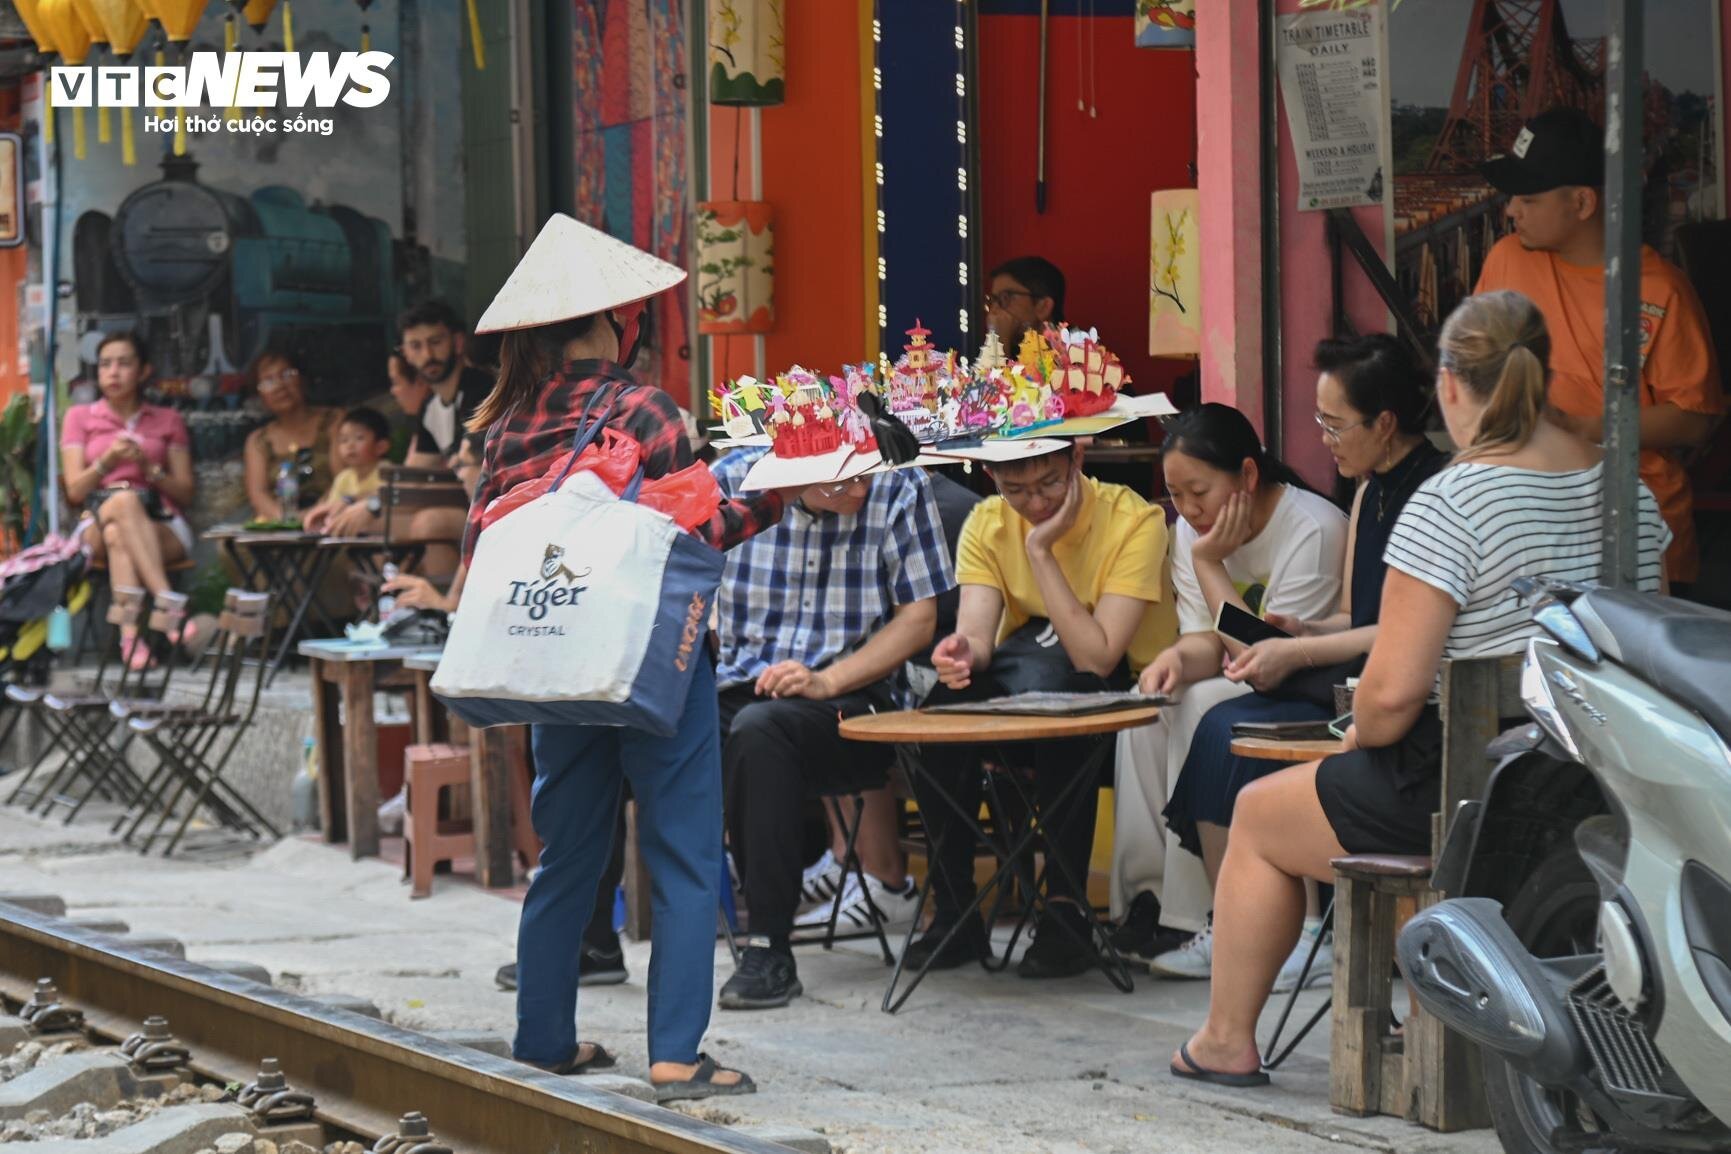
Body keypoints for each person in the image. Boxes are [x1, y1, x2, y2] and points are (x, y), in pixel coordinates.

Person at [1170, 290, 1670, 1088]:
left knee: (1259, 815)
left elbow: (1391, 697)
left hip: (1470, 788)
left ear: (1446, 387)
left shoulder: (1450, 502)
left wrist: (1354, 729)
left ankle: (1226, 1042)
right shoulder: (1629, 496)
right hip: (1599, 781)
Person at [460, 214, 790, 1102]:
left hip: (554, 663)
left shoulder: (506, 421)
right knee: (683, 855)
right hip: (653, 665)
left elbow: (483, 552)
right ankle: (678, 1057)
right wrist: (776, 492)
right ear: (614, 319)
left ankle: (543, 1040)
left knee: (566, 854)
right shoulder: (643, 408)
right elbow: (701, 530)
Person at [1159, 336, 1450, 992]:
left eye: (1333, 424)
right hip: (1350, 672)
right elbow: (1356, 617)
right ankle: (1232, 923)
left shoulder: (1428, 494)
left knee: (1222, 724)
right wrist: (1305, 629)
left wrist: (1297, 647)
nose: (1321, 439)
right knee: (1219, 722)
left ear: (1383, 423)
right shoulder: (1367, 492)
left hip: (1394, 687)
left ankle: (1298, 931)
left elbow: (1400, 632)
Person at [907, 442, 1177, 978]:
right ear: (991, 478)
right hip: (1026, 677)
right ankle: (955, 909)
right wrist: (962, 653)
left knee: (1068, 704)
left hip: (1124, 699)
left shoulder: (1133, 520)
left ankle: (1065, 910)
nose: (1034, 503)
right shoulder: (987, 521)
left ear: (1077, 461)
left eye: (1050, 483)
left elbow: (1098, 658)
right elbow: (980, 637)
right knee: (939, 714)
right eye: (1015, 490)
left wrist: (1041, 553)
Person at [386, 431, 633, 994]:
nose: (471, 471)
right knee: (573, 801)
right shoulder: (510, 507)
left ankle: (585, 946)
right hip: (565, 663)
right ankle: (585, 941)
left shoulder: (554, 500)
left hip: (597, 659)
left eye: (474, 461)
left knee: (581, 802)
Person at [1110, 404, 1347, 978]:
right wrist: (1172, 660)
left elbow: (1263, 658)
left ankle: (1228, 916)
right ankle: (1156, 908)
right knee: (1148, 712)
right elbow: (1203, 645)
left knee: (1205, 704)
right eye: (1176, 495)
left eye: (1199, 491)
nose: (1189, 511)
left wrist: (1210, 563)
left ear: (1246, 475)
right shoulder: (1192, 532)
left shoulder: (1310, 529)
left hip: (1303, 687)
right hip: (1244, 673)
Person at [710, 454, 955, 1010]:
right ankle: (593, 937)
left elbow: (919, 619)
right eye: (842, 481)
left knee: (760, 732)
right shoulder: (732, 482)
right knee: (637, 722)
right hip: (740, 680)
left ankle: (769, 946)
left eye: (863, 472)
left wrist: (826, 681)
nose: (860, 489)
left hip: (852, 694)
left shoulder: (898, 486)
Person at [1476, 106, 1723, 588]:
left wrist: (1581, 427)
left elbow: (1695, 420)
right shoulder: (1505, 260)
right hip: (1526, 526)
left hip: (1636, 535)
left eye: (1527, 198)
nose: (1510, 211)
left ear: (1583, 203)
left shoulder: (1658, 290)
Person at [60, 331, 198, 669]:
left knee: (120, 535)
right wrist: (106, 462)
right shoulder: (79, 417)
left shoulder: (169, 420)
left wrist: (148, 468)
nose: (113, 372)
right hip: (94, 522)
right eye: (105, 364)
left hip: (161, 522)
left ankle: (130, 637)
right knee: (122, 503)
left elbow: (185, 492)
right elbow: (75, 491)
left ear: (144, 370)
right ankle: (167, 602)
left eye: (124, 363)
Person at [243, 345, 342, 522]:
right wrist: (288, 521)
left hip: (332, 519)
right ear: (259, 396)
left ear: (302, 379)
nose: (280, 386)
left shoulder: (334, 422)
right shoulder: (258, 441)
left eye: (287, 374)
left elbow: (343, 479)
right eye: (268, 381)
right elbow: (258, 494)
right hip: (281, 527)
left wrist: (316, 514)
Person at [400, 300, 495, 469]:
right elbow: (417, 470)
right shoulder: (429, 407)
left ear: (458, 342)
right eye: (415, 346)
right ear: (406, 353)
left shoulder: (483, 389)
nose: (427, 354)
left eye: (435, 342)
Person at [302, 407, 393, 537]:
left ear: (381, 446)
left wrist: (350, 502)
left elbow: (385, 497)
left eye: (359, 438)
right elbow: (333, 506)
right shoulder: (343, 478)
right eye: (344, 440)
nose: (350, 445)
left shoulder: (387, 471)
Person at [984, 256, 1065, 349]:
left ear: (1044, 307)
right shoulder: (1014, 351)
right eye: (993, 299)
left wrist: (998, 342)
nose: (993, 311)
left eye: (1005, 298)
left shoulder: (1076, 355)